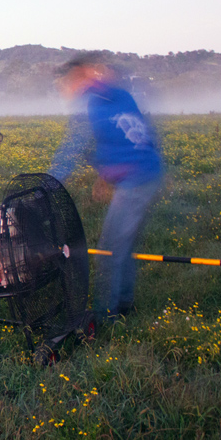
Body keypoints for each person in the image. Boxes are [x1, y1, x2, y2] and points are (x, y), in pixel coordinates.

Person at [49, 55, 163, 319]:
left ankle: (105, 315)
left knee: (110, 249)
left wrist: (50, 182)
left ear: (77, 78)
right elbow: (125, 135)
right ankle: (124, 303)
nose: (64, 89)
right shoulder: (118, 95)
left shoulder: (90, 105)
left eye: (66, 83)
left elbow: (72, 150)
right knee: (124, 245)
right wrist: (106, 175)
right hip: (149, 171)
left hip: (138, 178)